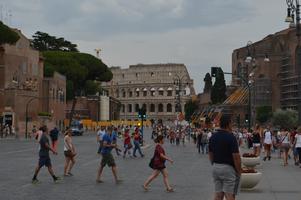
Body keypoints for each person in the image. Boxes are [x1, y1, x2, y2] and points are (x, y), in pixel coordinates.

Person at [209, 114, 241, 200]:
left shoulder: (213, 136)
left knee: (218, 195)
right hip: (228, 169)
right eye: (231, 122)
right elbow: (236, 157)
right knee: (229, 195)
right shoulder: (231, 137)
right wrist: (239, 171)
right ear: (228, 124)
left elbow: (210, 154)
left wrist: (214, 163)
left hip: (216, 167)